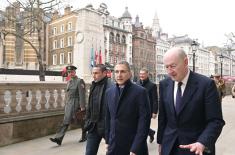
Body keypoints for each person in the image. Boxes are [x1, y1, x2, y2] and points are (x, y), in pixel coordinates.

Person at [157, 47, 225, 155]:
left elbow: (216, 121)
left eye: (173, 66)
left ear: (186, 62)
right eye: (166, 67)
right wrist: (160, 142)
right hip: (169, 148)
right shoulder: (164, 84)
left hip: (196, 149)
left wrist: (202, 142)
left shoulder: (206, 85)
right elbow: (163, 118)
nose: (169, 71)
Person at [105, 61, 151, 155]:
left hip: (133, 146)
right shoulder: (109, 92)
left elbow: (144, 122)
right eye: (116, 72)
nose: (119, 75)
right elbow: (108, 118)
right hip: (114, 145)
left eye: (123, 71)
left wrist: (136, 147)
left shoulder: (140, 92)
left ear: (130, 74)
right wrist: (108, 140)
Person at [50, 65, 87, 145]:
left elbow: (82, 95)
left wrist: (82, 107)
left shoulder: (79, 81)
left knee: (81, 121)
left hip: (76, 104)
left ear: (75, 72)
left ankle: (84, 135)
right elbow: (68, 94)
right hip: (69, 104)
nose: (70, 73)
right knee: (65, 121)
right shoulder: (69, 81)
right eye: (69, 72)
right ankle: (58, 138)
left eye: (71, 72)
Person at [84, 64, 113, 155]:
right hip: (93, 126)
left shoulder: (112, 87)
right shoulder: (94, 84)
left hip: (106, 128)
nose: (93, 75)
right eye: (93, 73)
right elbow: (90, 105)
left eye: (96, 73)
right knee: (89, 153)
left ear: (104, 73)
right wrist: (87, 120)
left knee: (112, 152)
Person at [136, 68, 158, 143]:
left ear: (147, 74)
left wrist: (155, 111)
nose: (141, 75)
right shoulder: (137, 84)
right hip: (138, 109)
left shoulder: (152, 85)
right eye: (140, 74)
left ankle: (141, 143)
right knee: (138, 126)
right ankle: (151, 132)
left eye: (143, 74)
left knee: (143, 126)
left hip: (148, 110)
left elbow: (155, 99)